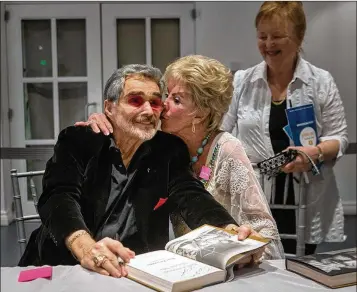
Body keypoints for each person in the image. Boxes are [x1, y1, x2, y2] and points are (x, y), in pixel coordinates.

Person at [19, 64, 261, 278]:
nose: (148, 111)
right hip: (68, 266)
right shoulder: (80, 140)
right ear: (109, 108)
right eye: (135, 100)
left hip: (135, 270)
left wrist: (228, 231)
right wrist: (85, 247)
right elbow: (58, 196)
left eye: (155, 102)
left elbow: (190, 194)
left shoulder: (167, 149)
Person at [76, 55, 285, 260]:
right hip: (186, 262)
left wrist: (243, 244)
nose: (163, 104)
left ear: (200, 113)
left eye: (176, 99)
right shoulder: (162, 143)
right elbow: (127, 124)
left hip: (234, 259)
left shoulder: (227, 149)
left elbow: (265, 230)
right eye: (166, 94)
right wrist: (105, 121)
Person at [221, 2, 349, 255]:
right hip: (254, 192)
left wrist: (317, 152)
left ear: (299, 37)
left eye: (278, 36)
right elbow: (222, 132)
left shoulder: (320, 81)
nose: (268, 44)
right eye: (262, 36)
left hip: (304, 192)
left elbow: (339, 138)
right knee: (254, 261)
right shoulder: (242, 81)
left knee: (300, 263)